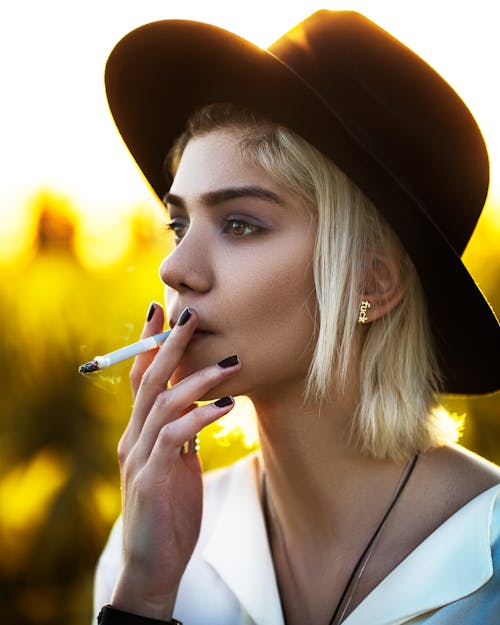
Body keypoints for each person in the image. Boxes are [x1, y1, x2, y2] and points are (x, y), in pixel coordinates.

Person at [93, 10, 500, 625]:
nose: (175, 269)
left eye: (239, 224)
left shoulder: (485, 559)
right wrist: (144, 601)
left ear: (374, 281)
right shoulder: (152, 546)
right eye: (178, 225)